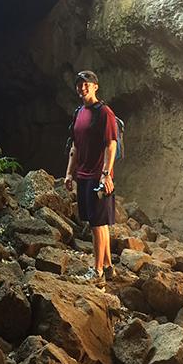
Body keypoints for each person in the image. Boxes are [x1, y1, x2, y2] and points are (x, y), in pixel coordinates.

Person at [64, 71, 118, 281]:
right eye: (79, 84)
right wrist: (69, 173)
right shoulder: (79, 112)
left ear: (95, 86)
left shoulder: (104, 113)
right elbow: (75, 146)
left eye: (87, 83)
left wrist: (106, 175)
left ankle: (96, 272)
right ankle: (107, 267)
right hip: (83, 175)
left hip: (98, 177)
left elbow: (111, 145)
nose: (83, 87)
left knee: (97, 224)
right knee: (98, 223)